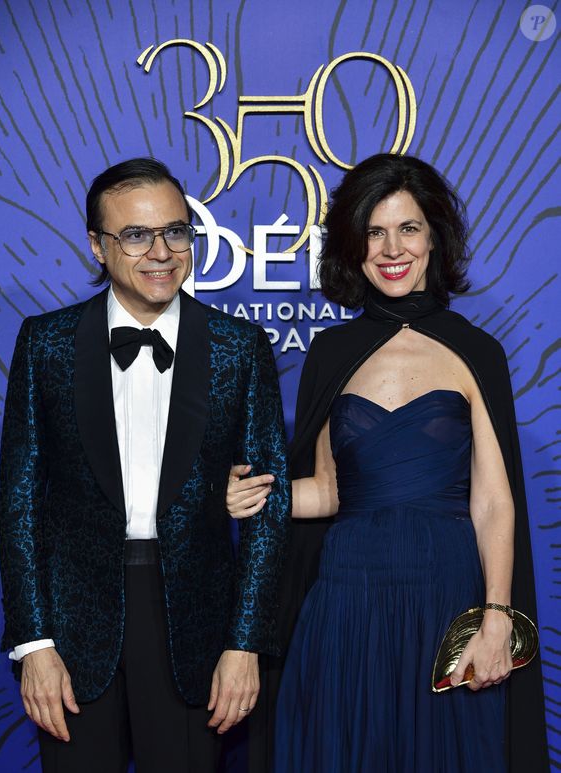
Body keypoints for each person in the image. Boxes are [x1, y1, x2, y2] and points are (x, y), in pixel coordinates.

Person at [227, 154, 548, 772]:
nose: (391, 248)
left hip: (444, 591)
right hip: (348, 600)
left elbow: (493, 502)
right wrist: (259, 495)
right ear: (354, 245)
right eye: (374, 232)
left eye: (408, 228)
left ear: (434, 238)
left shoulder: (475, 352)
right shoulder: (331, 352)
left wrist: (497, 616)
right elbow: (327, 490)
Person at [0, 157, 290, 773]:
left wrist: (245, 642)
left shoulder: (241, 349)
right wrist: (33, 643)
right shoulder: (44, 343)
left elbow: (269, 506)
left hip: (196, 628)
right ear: (97, 247)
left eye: (176, 231)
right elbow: (20, 502)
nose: (161, 251)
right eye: (135, 235)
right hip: (72, 630)